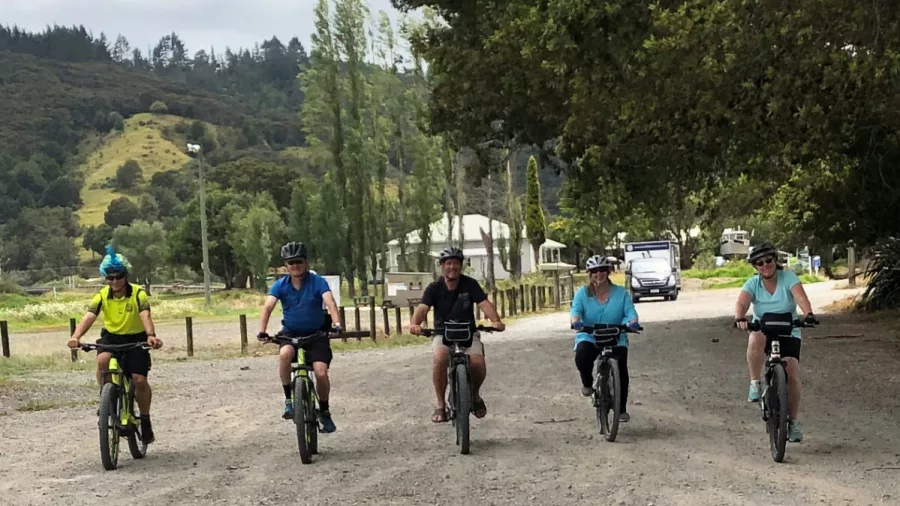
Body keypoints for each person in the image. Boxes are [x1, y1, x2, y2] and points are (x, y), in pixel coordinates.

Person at [67, 245, 163, 444]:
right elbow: (89, 316)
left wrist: (151, 335)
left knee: (139, 380)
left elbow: (145, 315)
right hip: (111, 338)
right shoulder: (102, 295)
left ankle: (144, 419)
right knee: (102, 360)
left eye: (118, 276)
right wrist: (75, 336)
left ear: (125, 275)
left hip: (136, 338)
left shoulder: (138, 294)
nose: (114, 281)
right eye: (110, 278)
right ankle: (106, 400)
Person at [409, 247, 505, 423]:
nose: (452, 267)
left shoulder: (470, 284)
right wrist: (415, 324)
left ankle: (475, 396)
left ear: (461, 266)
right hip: (442, 334)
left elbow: (484, 304)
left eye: (456, 263)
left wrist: (496, 321)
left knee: (477, 363)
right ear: (442, 266)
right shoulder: (434, 288)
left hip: (468, 332)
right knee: (440, 357)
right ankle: (440, 405)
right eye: (448, 263)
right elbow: (423, 308)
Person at [734, 242, 817, 442]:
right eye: (760, 263)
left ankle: (793, 423)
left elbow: (801, 298)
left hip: (789, 328)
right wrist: (740, 317)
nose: (765, 265)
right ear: (755, 267)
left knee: (793, 375)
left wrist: (808, 314)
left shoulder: (788, 277)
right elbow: (742, 302)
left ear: (775, 260)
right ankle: (755, 382)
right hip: (764, 328)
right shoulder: (752, 283)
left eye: (769, 260)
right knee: (755, 337)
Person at [258, 241, 343, 433]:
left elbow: (330, 303)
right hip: (291, 334)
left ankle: (324, 411)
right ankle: (289, 399)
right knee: (284, 355)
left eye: (299, 261)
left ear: (306, 263)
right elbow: (268, 307)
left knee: (321, 372)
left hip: (316, 334)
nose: (295, 266)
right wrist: (262, 331)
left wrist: (337, 324)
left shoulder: (318, 282)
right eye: (291, 263)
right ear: (286, 266)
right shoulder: (280, 285)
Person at [570, 255, 640, 422]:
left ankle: (621, 408)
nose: (598, 274)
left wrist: (632, 323)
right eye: (594, 270)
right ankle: (587, 383)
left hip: (615, 335)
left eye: (602, 270)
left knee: (621, 366)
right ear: (589, 273)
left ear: (608, 272)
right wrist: (577, 323)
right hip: (590, 334)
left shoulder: (621, 293)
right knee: (582, 355)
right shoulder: (582, 293)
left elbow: (631, 314)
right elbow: (576, 313)